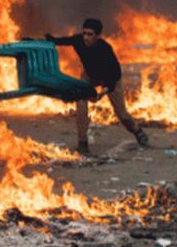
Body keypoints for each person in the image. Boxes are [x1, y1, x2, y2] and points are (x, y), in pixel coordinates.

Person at [46, 18, 148, 154]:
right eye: (85, 33)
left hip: (110, 79)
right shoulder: (78, 41)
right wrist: (45, 40)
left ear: (98, 36)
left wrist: (102, 93)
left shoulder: (105, 49)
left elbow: (114, 75)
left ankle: (137, 130)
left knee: (122, 115)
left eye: (90, 34)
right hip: (89, 76)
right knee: (80, 105)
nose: (86, 38)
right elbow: (59, 41)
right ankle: (82, 143)